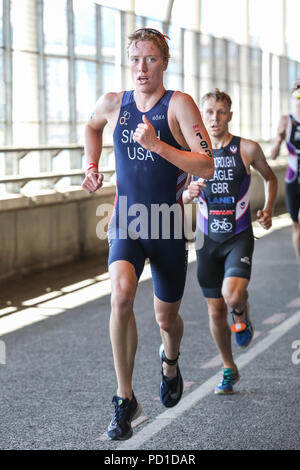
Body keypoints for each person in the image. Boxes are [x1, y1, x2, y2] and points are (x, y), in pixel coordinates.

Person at [82, 28, 214, 440]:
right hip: (126, 220)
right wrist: (91, 166)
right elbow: (91, 128)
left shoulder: (180, 105)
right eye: (135, 58)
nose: (142, 67)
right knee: (120, 295)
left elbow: (206, 166)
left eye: (151, 59)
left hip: (167, 225)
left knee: (166, 318)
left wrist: (158, 145)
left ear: (165, 62)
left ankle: (170, 361)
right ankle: (125, 398)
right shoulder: (113, 103)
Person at [183, 89, 277, 394]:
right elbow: (179, 193)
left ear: (230, 116)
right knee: (214, 312)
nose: (214, 118)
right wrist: (188, 194)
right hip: (206, 241)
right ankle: (228, 367)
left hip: (237, 236)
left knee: (232, 296)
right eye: (208, 112)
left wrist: (269, 208)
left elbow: (270, 177)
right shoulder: (190, 153)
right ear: (201, 116)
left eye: (221, 112)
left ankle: (241, 311)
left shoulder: (246, 149)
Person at [270, 80, 300, 287]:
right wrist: (278, 142)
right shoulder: (286, 121)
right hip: (292, 179)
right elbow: (273, 152)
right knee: (296, 225)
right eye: (298, 97)